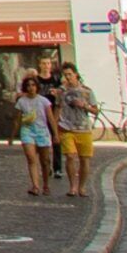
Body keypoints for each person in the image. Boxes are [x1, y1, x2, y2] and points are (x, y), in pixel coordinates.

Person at [52, 66, 99, 199]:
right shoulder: (62, 92)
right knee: (70, 156)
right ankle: (72, 186)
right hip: (66, 128)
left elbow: (96, 111)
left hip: (83, 129)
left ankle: (82, 187)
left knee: (84, 159)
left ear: (76, 75)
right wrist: (55, 131)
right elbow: (57, 109)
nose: (67, 77)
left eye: (70, 74)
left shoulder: (87, 91)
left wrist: (84, 106)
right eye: (65, 75)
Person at [13, 73, 55, 196]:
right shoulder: (21, 101)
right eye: (28, 85)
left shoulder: (44, 101)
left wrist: (55, 134)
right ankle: (35, 186)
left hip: (42, 132)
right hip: (27, 131)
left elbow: (51, 118)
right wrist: (12, 135)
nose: (31, 87)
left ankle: (46, 184)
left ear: (37, 87)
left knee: (45, 161)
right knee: (31, 159)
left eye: (33, 85)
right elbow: (17, 119)